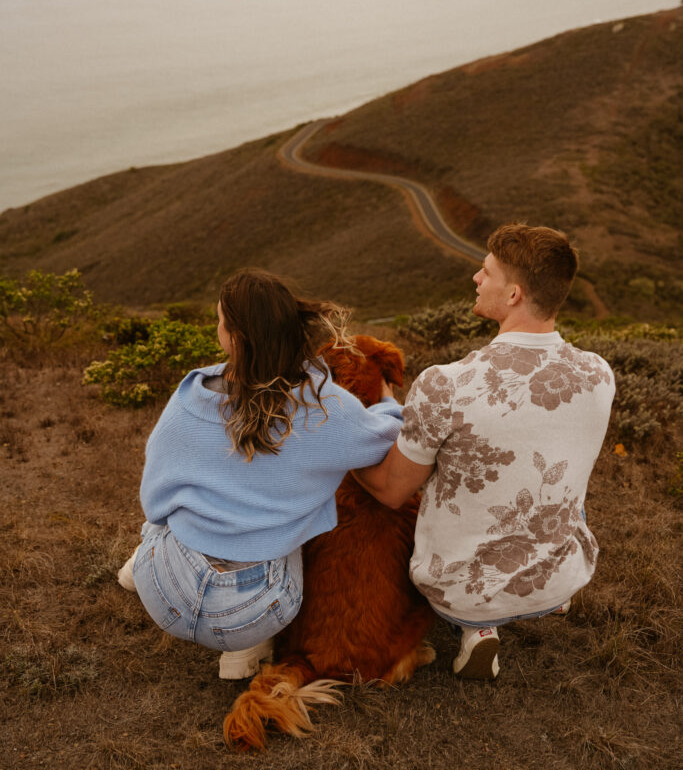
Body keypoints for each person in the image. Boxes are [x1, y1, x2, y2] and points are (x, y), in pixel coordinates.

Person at [354, 223, 615, 680]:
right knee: (552, 465)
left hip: (462, 593)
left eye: (486, 272)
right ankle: (548, 589)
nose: (476, 278)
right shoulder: (599, 373)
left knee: (434, 483)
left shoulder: (444, 384)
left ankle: (478, 629)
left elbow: (392, 492)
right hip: (566, 573)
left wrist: (347, 458)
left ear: (513, 295)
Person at [117, 269, 403, 679]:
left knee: (164, 519)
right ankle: (243, 647)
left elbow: (156, 503)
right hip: (256, 610)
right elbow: (384, 438)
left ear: (232, 337)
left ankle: (138, 569)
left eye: (220, 321)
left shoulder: (190, 400)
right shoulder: (325, 408)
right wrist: (388, 404)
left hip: (165, 596)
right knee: (283, 527)